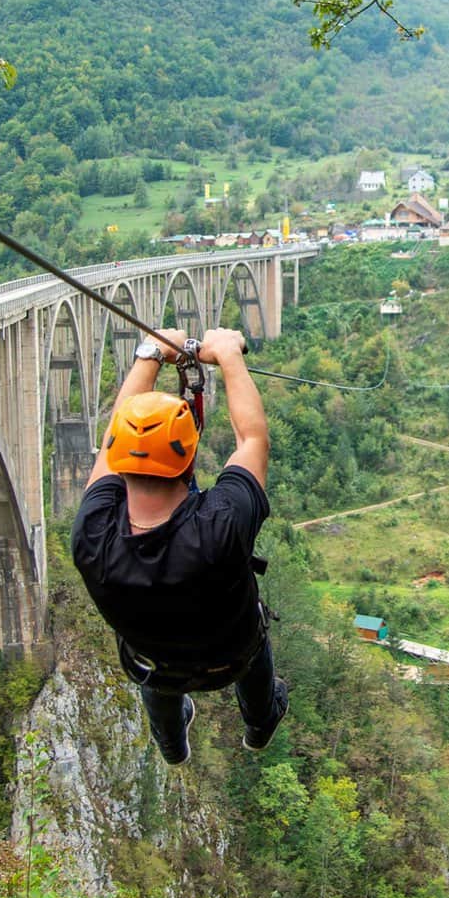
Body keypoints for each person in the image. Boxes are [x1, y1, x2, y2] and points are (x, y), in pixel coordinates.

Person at [70, 327, 287, 766]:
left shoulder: (92, 537)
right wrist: (229, 356)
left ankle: (171, 743)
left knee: (154, 662)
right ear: (189, 459)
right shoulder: (220, 526)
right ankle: (260, 722)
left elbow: (112, 443)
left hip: (153, 662)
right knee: (253, 632)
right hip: (231, 657)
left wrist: (150, 355)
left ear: (121, 460)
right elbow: (252, 439)